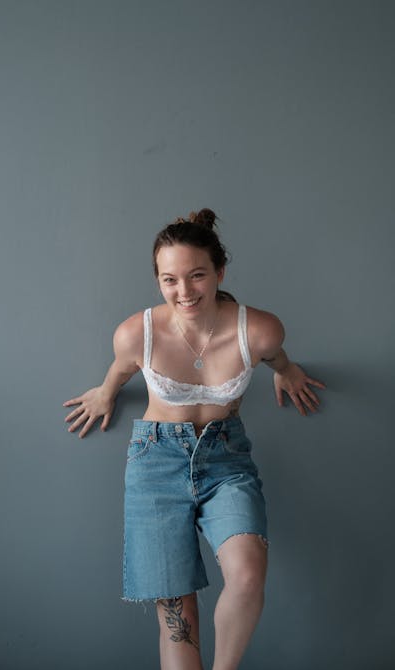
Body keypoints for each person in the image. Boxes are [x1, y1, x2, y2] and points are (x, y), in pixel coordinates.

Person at [64, 209, 325, 670]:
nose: (184, 292)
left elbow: (276, 356)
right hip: (154, 462)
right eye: (169, 280)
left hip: (226, 459)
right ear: (158, 281)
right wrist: (104, 395)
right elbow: (122, 370)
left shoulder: (257, 329)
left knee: (246, 579)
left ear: (219, 272)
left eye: (196, 275)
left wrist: (288, 372)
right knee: (177, 622)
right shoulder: (136, 333)